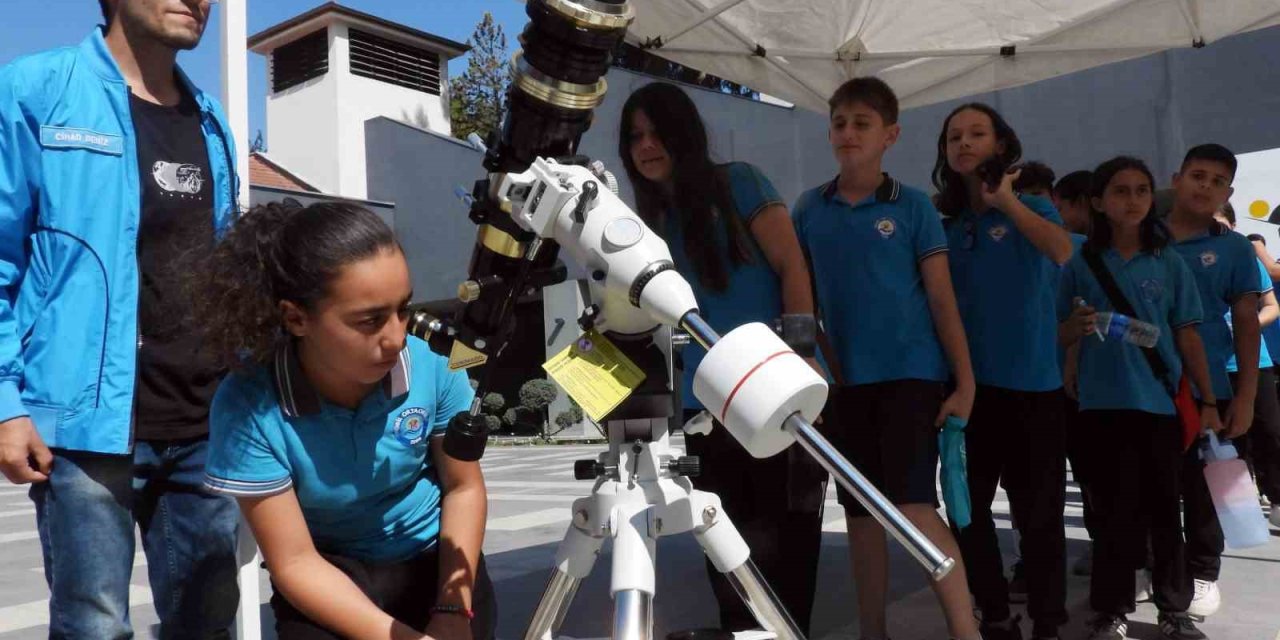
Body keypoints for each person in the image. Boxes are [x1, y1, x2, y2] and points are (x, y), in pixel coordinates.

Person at [0, 1, 241, 636]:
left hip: (204, 425)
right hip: (85, 430)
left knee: (207, 625)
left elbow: (224, 276)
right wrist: (5, 402)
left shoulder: (211, 122)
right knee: (94, 626)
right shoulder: (34, 90)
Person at [195, 200, 494, 639]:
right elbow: (294, 561)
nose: (396, 337)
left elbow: (463, 487)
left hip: (440, 567)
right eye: (370, 320)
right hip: (329, 576)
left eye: (403, 309)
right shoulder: (248, 407)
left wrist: (452, 609)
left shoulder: (433, 369)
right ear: (296, 318)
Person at [618, 81, 826, 635]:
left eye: (657, 132)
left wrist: (804, 360)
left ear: (684, 134)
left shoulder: (740, 183)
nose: (645, 146)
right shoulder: (645, 226)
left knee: (791, 540)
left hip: (779, 391)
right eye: (635, 137)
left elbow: (793, 266)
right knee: (728, 543)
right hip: (706, 409)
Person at [793, 76, 982, 640]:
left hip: (911, 377)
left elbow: (943, 300)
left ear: (890, 135)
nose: (848, 133)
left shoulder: (913, 208)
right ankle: (872, 631)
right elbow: (801, 301)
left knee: (915, 509)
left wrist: (964, 381)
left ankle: (964, 629)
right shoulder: (809, 209)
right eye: (839, 123)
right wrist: (815, 369)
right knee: (860, 518)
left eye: (862, 123)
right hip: (844, 386)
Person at [1059, 155, 1218, 640]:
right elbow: (1060, 330)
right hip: (1099, 408)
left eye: (1141, 190)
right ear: (1099, 202)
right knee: (1109, 515)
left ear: (1152, 199)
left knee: (1165, 512)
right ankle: (1110, 612)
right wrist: (1074, 330)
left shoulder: (1167, 261)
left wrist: (1208, 398)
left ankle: (1174, 610)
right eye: (1121, 191)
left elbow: (1187, 335)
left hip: (1157, 406)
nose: (1132, 200)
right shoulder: (1081, 262)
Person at [933, 103, 1073, 640]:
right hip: (967, 394)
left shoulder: (1032, 207)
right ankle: (994, 613)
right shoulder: (942, 222)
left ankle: (1048, 623)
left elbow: (1061, 251)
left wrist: (1008, 202)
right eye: (953, 137)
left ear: (1000, 144)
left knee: (1039, 520)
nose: (964, 143)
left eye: (976, 134)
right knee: (967, 515)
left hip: (1035, 392)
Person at [1165, 144, 1261, 620]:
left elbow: (1246, 322)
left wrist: (1245, 396)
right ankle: (1161, 572)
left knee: (1207, 492)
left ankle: (1204, 575)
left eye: (1216, 180)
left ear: (1228, 192)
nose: (1205, 186)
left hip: (1210, 390)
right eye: (1197, 175)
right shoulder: (1138, 238)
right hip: (1145, 386)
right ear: (1177, 178)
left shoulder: (1233, 248)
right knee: (1151, 490)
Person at [1212, 205, 1280, 525]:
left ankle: (1277, 497)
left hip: (1256, 360)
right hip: (1214, 367)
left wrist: (1248, 325)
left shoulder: (1248, 259)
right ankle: (1238, 507)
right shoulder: (1187, 261)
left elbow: (1271, 307)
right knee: (1228, 439)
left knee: (1270, 430)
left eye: (1222, 225)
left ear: (1234, 226)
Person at [1052, 169, 1098, 578]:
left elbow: (1077, 317)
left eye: (1059, 207)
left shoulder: (1074, 251)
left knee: (1087, 470)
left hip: (1074, 380)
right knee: (1093, 471)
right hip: (1081, 379)